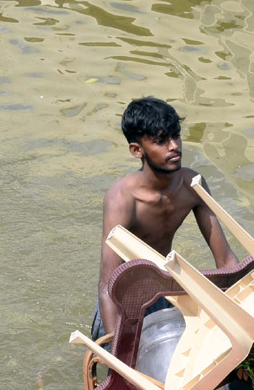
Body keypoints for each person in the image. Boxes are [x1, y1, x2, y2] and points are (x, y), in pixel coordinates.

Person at [91, 97, 239, 340]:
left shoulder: (193, 185)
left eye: (176, 136)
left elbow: (226, 262)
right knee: (118, 367)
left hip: (163, 291)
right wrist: (117, 353)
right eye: (161, 141)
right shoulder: (122, 199)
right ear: (137, 150)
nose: (174, 146)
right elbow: (108, 287)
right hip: (122, 302)